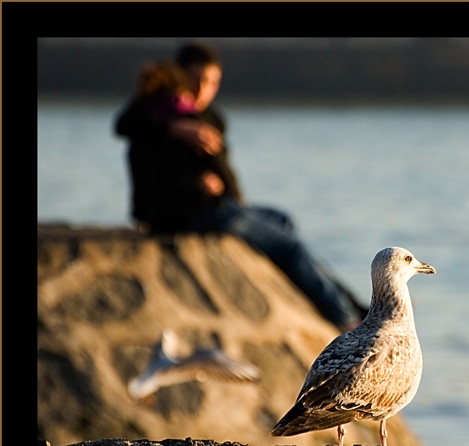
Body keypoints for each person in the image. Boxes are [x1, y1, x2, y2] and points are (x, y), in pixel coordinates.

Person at [115, 43, 366, 331]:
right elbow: (133, 135)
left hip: (215, 205)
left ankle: (348, 303)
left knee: (282, 221)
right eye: (196, 80)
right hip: (193, 213)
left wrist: (223, 191)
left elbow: (219, 171)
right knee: (289, 247)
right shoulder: (155, 116)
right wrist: (178, 135)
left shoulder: (206, 118)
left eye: (211, 82)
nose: (202, 90)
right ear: (179, 77)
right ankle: (345, 318)